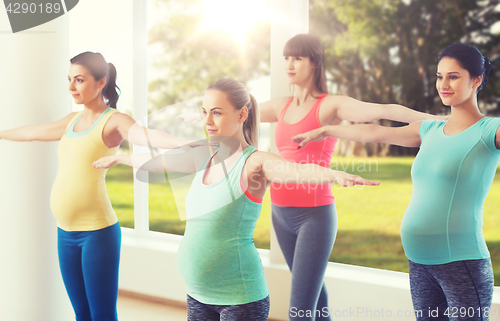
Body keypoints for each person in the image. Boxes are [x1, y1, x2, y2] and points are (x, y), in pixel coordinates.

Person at [93, 78, 380, 321]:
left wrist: (333, 175)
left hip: (240, 300)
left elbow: (295, 171)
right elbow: (159, 162)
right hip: (197, 295)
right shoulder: (203, 155)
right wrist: (121, 157)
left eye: (216, 113)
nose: (207, 121)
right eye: (204, 112)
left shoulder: (254, 162)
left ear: (242, 115)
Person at [293, 43, 497, 321]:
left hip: (461, 263)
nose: (444, 84)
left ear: (477, 80)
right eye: (440, 76)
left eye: (454, 76)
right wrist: (327, 129)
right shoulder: (430, 130)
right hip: (419, 261)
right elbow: (377, 132)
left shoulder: (489, 130)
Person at [258, 33, 446, 321]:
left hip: (314, 217)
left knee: (299, 311)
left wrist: (439, 120)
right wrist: (205, 115)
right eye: (286, 58)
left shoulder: (330, 105)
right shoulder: (279, 106)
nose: (289, 64)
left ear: (315, 62)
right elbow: (239, 113)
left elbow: (383, 111)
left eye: (297, 57)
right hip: (279, 213)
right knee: (315, 297)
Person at [0, 51, 193, 321]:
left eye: (79, 80)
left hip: (97, 233)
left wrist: (186, 145)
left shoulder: (113, 120)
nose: (71, 87)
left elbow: (146, 135)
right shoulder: (71, 120)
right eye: (69, 79)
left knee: (102, 315)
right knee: (82, 313)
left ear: (101, 82)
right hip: (65, 232)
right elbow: (31, 133)